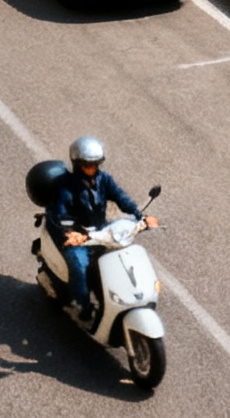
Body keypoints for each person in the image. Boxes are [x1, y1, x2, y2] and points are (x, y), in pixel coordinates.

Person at [45, 135, 152, 320]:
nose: (92, 168)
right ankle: (83, 305)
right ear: (77, 164)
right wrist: (72, 234)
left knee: (122, 253)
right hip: (76, 236)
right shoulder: (66, 186)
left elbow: (120, 196)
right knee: (80, 265)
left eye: (95, 164)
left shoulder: (104, 179)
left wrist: (139, 215)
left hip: (98, 230)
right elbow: (61, 212)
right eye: (87, 165)